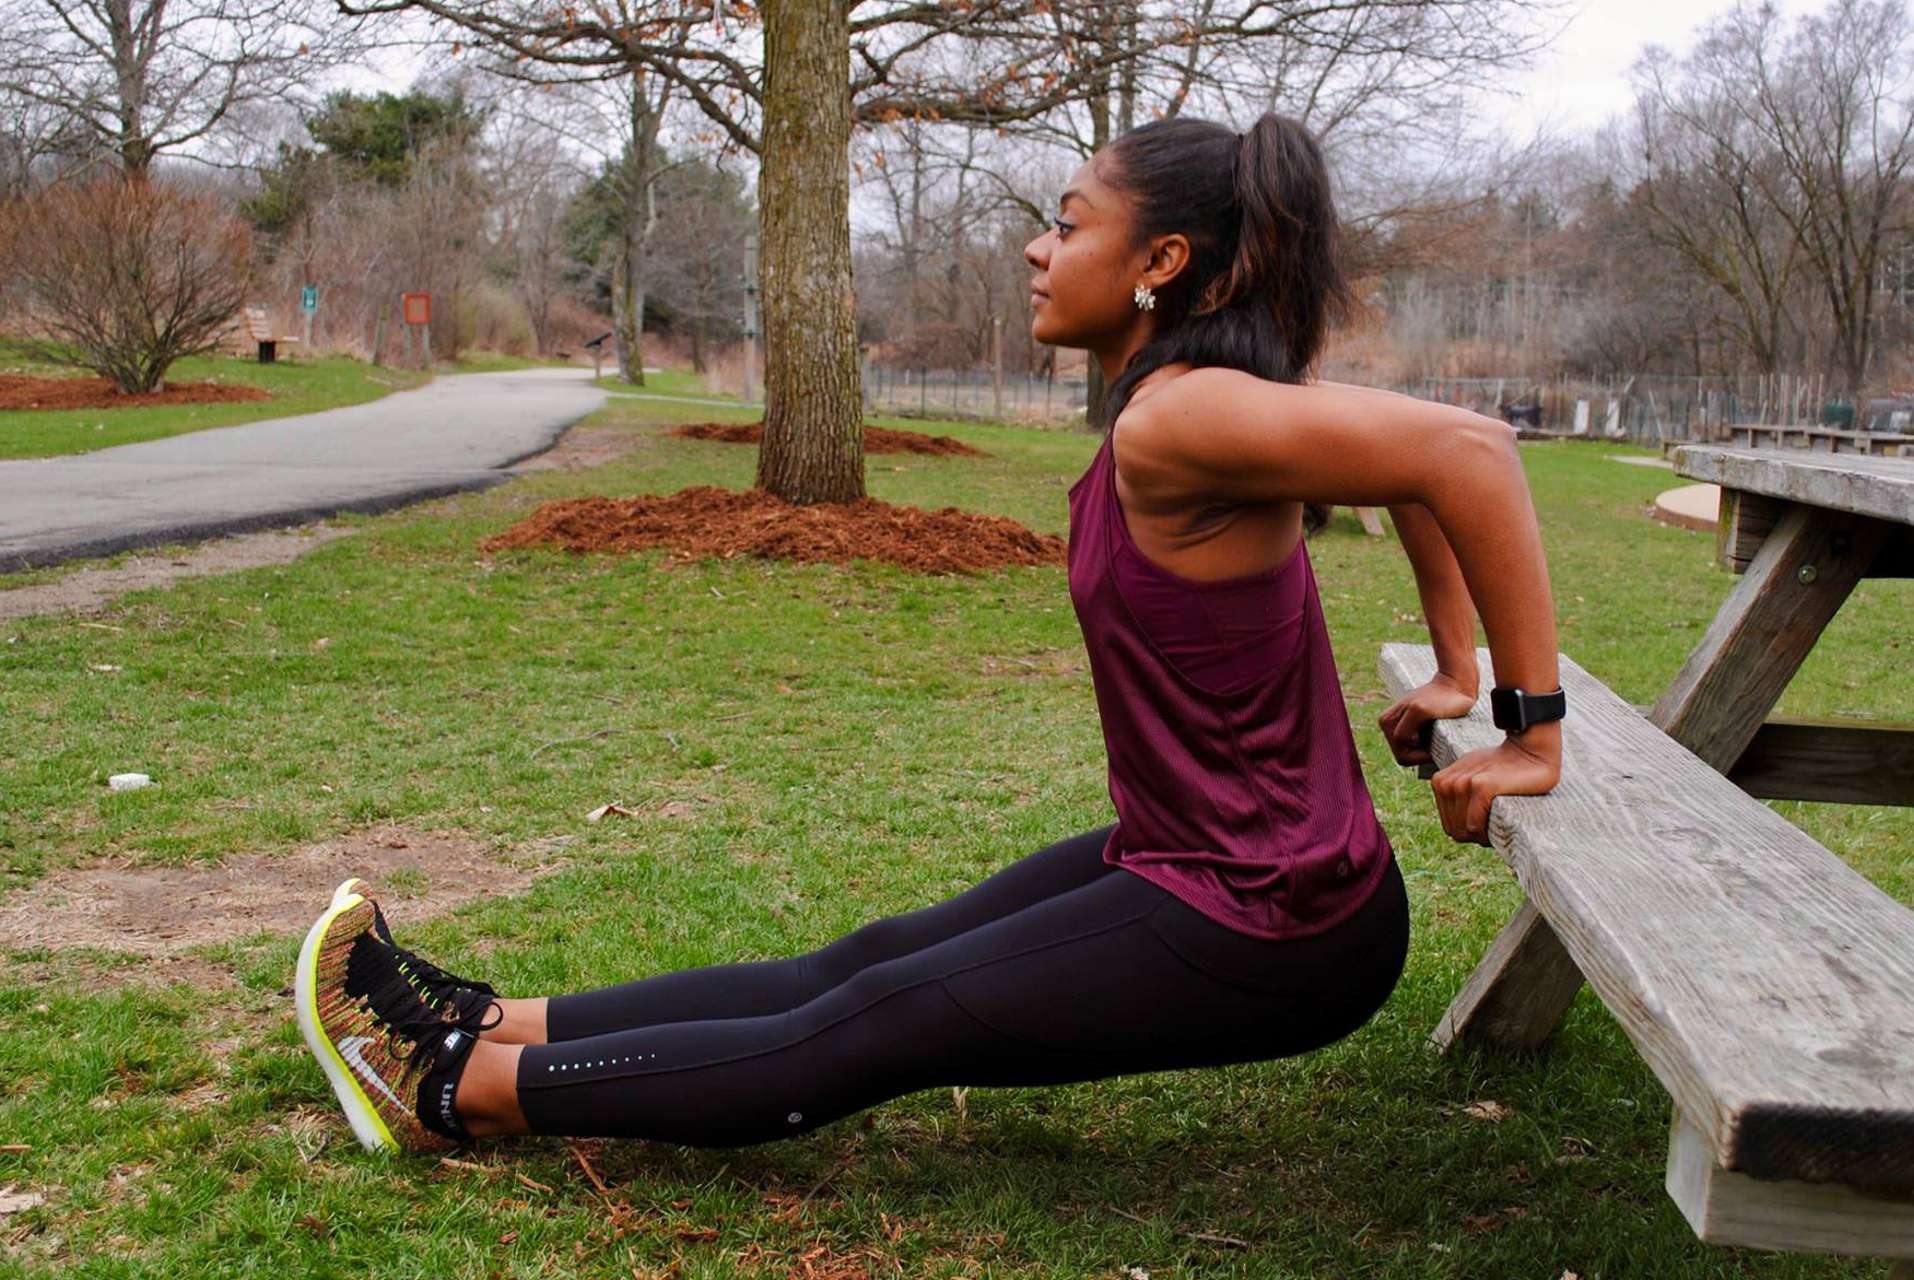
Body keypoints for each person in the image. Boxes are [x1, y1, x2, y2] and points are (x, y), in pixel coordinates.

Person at [294, 111, 1564, 1155]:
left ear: (1158, 262)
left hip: (1269, 920)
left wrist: (1527, 723)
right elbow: (1417, 472)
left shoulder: (1186, 418)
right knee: (868, 960)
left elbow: (1467, 454)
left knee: (872, 1022)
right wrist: (1453, 662)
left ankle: (452, 1084)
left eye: (1068, 225)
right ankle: (499, 1020)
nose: (1035, 247)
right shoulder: (1206, 403)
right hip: (1209, 860)